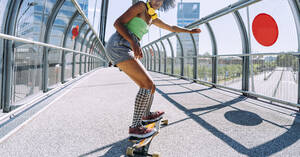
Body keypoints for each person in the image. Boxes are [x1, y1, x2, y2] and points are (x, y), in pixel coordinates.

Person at [105, 0, 201, 138]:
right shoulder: (140, 6)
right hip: (118, 44)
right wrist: (133, 41)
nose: (157, 2)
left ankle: (146, 115)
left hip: (126, 47)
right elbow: (117, 23)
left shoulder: (152, 17)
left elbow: (172, 27)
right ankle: (136, 127)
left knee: (151, 87)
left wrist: (189, 31)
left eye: (161, 1)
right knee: (147, 84)